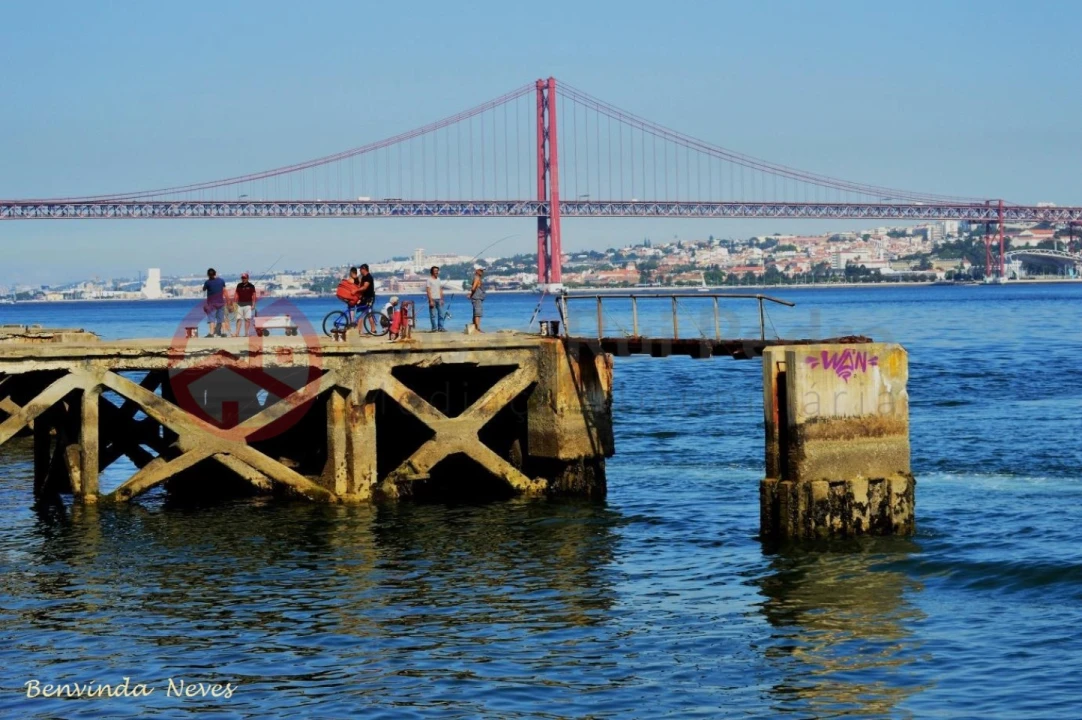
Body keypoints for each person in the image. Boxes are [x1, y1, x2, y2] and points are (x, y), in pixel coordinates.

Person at [202, 268, 226, 337]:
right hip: (220, 302)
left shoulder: (207, 282)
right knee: (221, 318)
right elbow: (224, 289)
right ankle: (224, 333)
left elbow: (204, 289)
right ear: (215, 273)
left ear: (208, 275)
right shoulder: (221, 281)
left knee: (211, 319)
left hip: (211, 303)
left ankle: (211, 333)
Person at [234, 272, 257, 336]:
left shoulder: (251, 286)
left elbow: (254, 295)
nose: (243, 279)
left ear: (247, 278)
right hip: (239, 304)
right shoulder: (239, 285)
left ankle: (246, 333)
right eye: (242, 278)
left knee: (247, 319)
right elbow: (236, 294)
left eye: (244, 278)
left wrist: (253, 304)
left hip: (248, 305)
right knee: (238, 319)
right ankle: (237, 333)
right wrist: (234, 303)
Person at [426, 265, 445, 332]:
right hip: (432, 299)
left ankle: (441, 327)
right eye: (435, 271)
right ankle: (434, 328)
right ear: (432, 272)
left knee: (441, 314)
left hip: (439, 299)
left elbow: (440, 289)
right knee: (433, 315)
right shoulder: (429, 280)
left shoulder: (439, 279)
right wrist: (430, 300)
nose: (437, 272)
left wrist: (442, 299)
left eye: (437, 271)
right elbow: (428, 290)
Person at [468, 267, 487, 333]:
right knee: (478, 314)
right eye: (480, 270)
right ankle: (477, 328)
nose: (482, 272)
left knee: (476, 313)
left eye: (482, 271)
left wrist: (470, 295)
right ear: (476, 271)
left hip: (476, 298)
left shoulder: (477, 278)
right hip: (477, 298)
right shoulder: (477, 278)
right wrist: (470, 294)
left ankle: (475, 328)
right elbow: (473, 288)